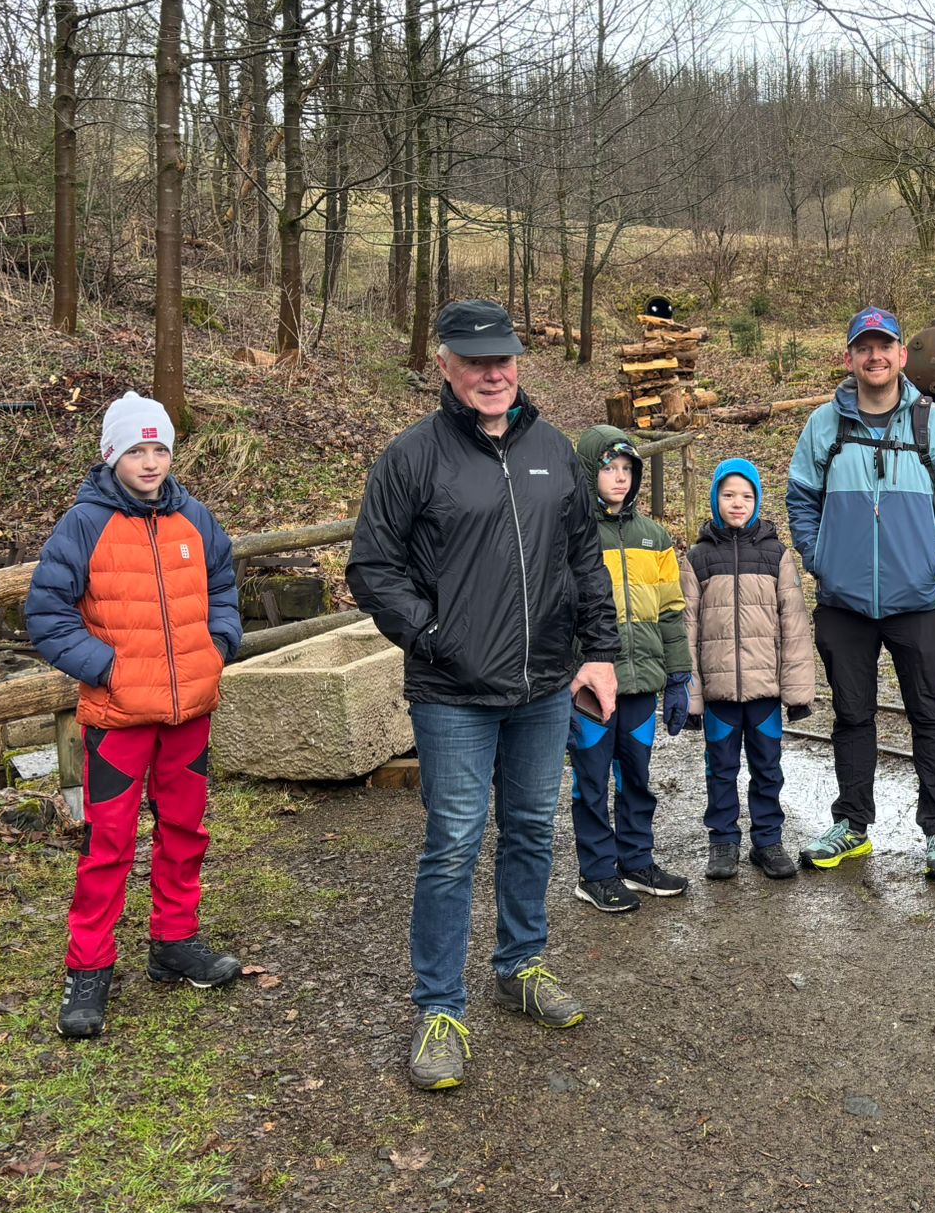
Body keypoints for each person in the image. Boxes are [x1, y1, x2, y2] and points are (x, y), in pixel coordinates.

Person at [348, 298, 619, 1093]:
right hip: (452, 693)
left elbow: (583, 560)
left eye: (502, 358)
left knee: (531, 828)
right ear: (445, 366)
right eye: (475, 361)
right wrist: (434, 636)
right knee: (454, 843)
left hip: (543, 685)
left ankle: (521, 964)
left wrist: (600, 653)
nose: (492, 373)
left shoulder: (554, 451)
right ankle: (439, 1007)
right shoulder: (412, 458)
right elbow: (373, 568)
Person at [26, 391, 246, 1040]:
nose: (150, 462)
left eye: (160, 449)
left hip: (190, 714)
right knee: (108, 845)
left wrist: (219, 646)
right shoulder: (83, 526)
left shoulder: (196, 519)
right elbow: (47, 615)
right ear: (111, 455)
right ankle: (88, 969)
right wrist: (108, 669)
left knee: (185, 833)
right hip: (119, 718)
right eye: (136, 450)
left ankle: (175, 944)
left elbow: (224, 587)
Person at [786, 307, 935, 879]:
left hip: (916, 600)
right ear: (849, 358)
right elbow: (800, 498)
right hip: (843, 603)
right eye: (864, 347)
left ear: (901, 355)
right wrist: (820, 560)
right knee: (852, 715)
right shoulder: (824, 424)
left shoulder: (934, 424)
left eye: (884, 346)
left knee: (930, 713)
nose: (875, 356)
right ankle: (852, 825)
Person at [567, 425, 695, 914]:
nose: (620, 478)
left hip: (641, 680)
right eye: (609, 469)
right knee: (592, 780)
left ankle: (636, 861)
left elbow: (671, 611)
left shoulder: (654, 536)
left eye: (627, 469)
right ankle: (596, 872)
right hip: (590, 683)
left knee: (636, 775)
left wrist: (678, 675)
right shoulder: (570, 535)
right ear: (588, 473)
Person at [681, 458, 818, 881]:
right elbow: (687, 628)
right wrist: (690, 697)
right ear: (715, 499)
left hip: (765, 691)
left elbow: (794, 624)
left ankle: (768, 840)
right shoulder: (698, 558)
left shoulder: (777, 555)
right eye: (728, 495)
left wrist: (798, 693)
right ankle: (723, 841)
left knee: (767, 768)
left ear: (757, 500)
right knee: (720, 769)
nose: (737, 503)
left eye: (746, 495)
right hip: (719, 692)